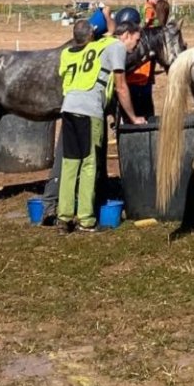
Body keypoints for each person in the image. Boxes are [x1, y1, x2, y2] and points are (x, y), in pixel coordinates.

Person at [57, 17, 146, 232]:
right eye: (136, 40)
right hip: (89, 110)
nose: (135, 46)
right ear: (125, 35)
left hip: (69, 107)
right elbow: (121, 87)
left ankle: (64, 217)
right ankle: (86, 220)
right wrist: (133, 118)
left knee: (70, 163)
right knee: (89, 164)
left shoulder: (97, 44)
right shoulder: (116, 47)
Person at [126, 0, 163, 118]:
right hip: (142, 82)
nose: (156, 0)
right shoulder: (148, 8)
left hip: (132, 83)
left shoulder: (125, 43)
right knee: (146, 112)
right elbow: (147, 20)